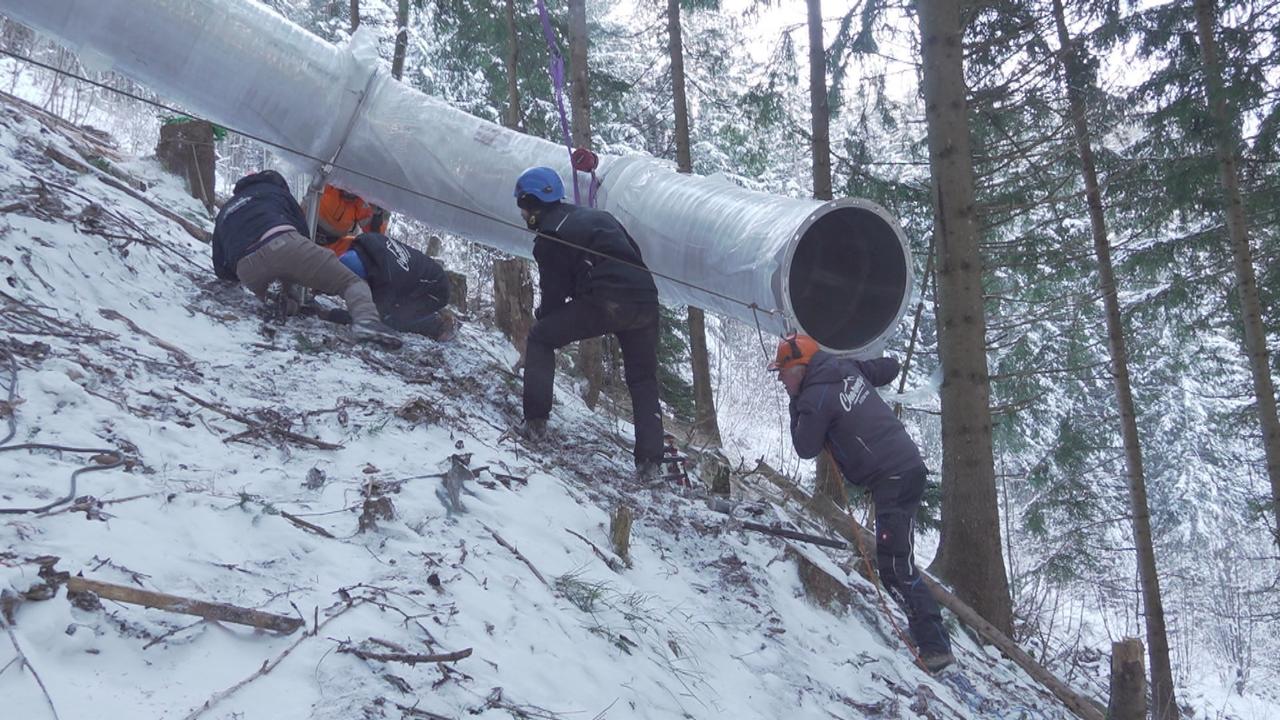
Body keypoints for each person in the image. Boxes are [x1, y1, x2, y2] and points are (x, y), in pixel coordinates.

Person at [771, 332, 954, 672]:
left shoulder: (813, 398)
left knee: (895, 567)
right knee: (897, 563)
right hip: (906, 469)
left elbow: (804, 446)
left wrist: (796, 406)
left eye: (783, 374)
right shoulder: (844, 368)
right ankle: (932, 641)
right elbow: (889, 368)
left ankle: (936, 649)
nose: (782, 382)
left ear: (800, 368)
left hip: (893, 480)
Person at [512, 166, 664, 479]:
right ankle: (650, 463)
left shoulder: (549, 237)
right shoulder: (599, 217)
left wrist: (545, 315)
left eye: (523, 207)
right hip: (647, 298)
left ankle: (536, 422)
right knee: (643, 378)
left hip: (608, 301)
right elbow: (631, 253)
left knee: (541, 337)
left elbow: (553, 296)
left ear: (530, 206)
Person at [211, 170, 401, 349]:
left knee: (289, 298)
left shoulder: (226, 210)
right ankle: (366, 321)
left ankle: (282, 301)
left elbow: (221, 267)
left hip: (247, 267)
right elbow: (302, 229)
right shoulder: (276, 192)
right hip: (284, 243)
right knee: (351, 282)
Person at [332, 232, 457, 341]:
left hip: (436, 290)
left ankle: (441, 326)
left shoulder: (386, 282)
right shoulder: (365, 240)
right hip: (419, 275)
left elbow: (370, 317)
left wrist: (333, 314)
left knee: (394, 319)